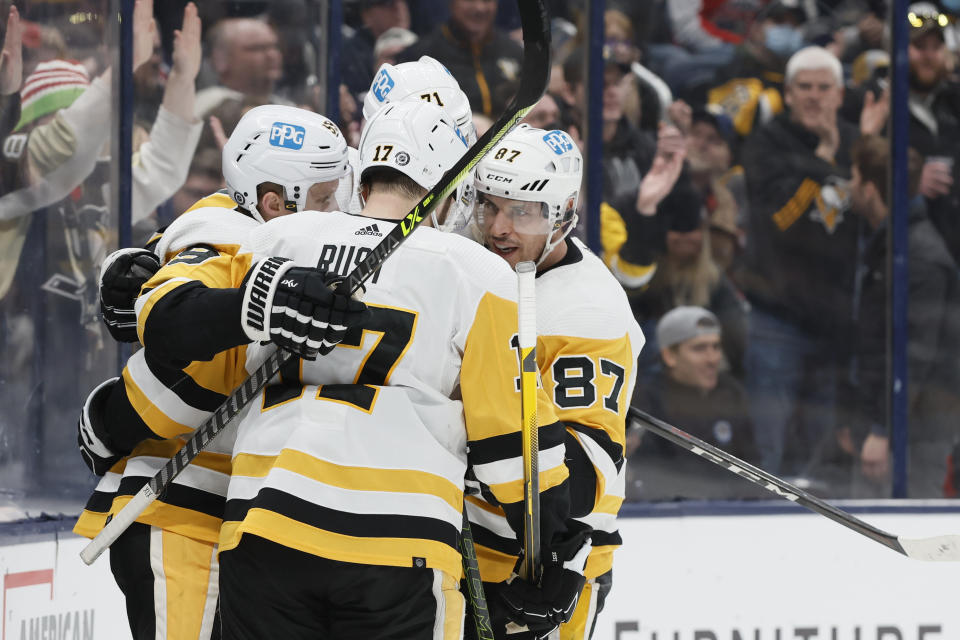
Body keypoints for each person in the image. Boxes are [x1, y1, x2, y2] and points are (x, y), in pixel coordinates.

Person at [93, 98, 582, 639]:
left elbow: (164, 317)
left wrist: (127, 271)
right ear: (454, 189)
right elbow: (514, 453)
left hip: (265, 530)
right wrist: (551, 550)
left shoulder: (276, 240)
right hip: (401, 549)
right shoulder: (478, 273)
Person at [74, 104, 352, 640]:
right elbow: (175, 319)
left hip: (230, 515)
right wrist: (114, 417)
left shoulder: (269, 220)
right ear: (275, 202)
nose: (336, 208)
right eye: (323, 198)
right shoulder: (227, 231)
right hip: (177, 507)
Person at [465, 124, 645, 640]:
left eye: (522, 211)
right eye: (490, 205)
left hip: (549, 567)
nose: (499, 227)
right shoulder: (479, 259)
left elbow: (585, 482)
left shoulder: (588, 314)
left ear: (562, 215)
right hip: (474, 540)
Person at [738, 46, 861, 478]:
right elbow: (781, 222)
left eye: (823, 88)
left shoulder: (858, 141)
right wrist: (825, 159)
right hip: (778, 317)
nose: (813, 96)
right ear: (787, 94)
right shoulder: (765, 143)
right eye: (804, 87)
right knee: (768, 450)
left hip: (837, 319)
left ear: (840, 94)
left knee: (822, 447)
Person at [843, 135, 960, 498]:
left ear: (871, 189)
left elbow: (916, 354)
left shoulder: (919, 257)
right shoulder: (887, 243)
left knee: (906, 532)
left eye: (854, 177)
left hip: (914, 433)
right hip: (885, 422)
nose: (849, 186)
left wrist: (883, 430)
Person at [627, 306, 760, 501]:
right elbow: (650, 475)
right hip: (671, 515)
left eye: (716, 347)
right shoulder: (644, 401)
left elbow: (753, 468)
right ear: (669, 356)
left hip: (734, 513)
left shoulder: (732, 393)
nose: (713, 358)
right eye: (699, 348)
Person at [396, 0, 523, 117]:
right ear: (451, 3)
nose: (479, 8)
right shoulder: (420, 56)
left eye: (486, 0)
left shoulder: (514, 52)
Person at [904, 3, 960, 265]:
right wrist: (908, 181)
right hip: (906, 261)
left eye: (936, 47)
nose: (929, 56)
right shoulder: (875, 102)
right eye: (919, 47)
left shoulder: (953, 100)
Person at [195, 17, 287, 117]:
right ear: (221, 58)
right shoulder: (205, 106)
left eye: (275, 47)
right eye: (257, 48)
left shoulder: (288, 108)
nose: (272, 55)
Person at [342, 0, 412, 99]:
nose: (399, 8)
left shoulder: (426, 45)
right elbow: (353, 106)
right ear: (367, 15)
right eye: (389, 3)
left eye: (403, 1)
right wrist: (378, 79)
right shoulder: (350, 56)